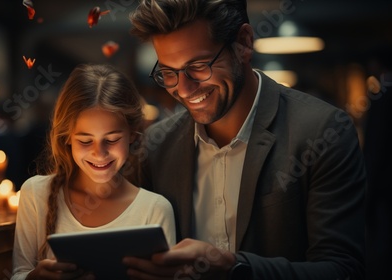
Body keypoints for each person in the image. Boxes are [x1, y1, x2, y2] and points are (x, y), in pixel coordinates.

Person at [123, 0, 366, 279]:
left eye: (199, 66)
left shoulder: (322, 131)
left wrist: (235, 268)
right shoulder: (156, 146)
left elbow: (344, 270)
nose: (184, 88)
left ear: (244, 43)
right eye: (168, 72)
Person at [11, 64, 176, 280]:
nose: (99, 153)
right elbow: (19, 273)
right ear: (67, 137)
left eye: (112, 139)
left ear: (133, 135)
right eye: (86, 140)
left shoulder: (155, 209)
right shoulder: (35, 193)